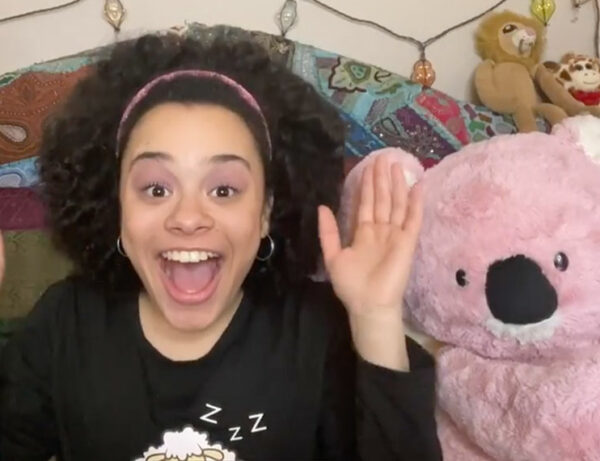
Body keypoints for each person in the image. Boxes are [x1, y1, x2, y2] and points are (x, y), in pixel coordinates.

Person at [0, 33, 441, 461]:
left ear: (267, 210)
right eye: (155, 189)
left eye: (224, 190)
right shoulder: (65, 322)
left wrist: (376, 317)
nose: (188, 218)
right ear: (116, 205)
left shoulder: (319, 331)